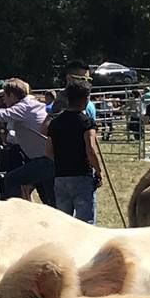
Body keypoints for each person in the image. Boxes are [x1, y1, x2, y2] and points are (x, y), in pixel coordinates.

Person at [0, 79, 55, 205]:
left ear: (12, 95)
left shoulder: (23, 107)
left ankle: (17, 212)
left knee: (11, 179)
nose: (4, 101)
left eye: (4, 96)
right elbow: (18, 137)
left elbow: (3, 114)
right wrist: (3, 132)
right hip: (47, 157)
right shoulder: (31, 105)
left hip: (45, 159)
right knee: (50, 197)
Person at [44, 82, 101, 223]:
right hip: (82, 175)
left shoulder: (55, 123)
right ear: (85, 99)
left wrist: (62, 160)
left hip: (60, 177)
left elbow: (48, 151)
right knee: (85, 223)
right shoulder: (86, 122)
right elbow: (91, 149)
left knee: (64, 223)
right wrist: (99, 171)